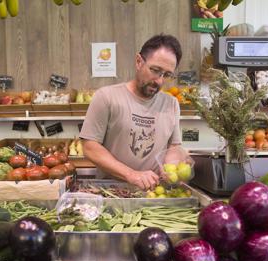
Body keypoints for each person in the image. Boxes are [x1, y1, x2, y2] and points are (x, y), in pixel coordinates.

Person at [79, 34, 187, 191]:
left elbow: (174, 146)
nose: (159, 81)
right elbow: (89, 146)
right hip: (112, 193)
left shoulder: (171, 104)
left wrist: (170, 166)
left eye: (167, 75)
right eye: (155, 70)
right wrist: (131, 174)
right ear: (138, 61)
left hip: (154, 194)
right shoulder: (106, 97)